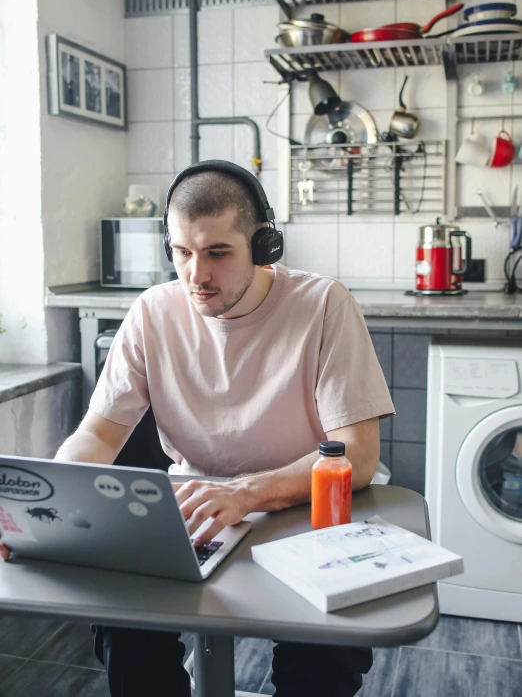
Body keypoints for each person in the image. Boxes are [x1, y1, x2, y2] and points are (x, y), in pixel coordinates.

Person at [4, 160, 395, 696]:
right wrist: (45, 511)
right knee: (125, 632)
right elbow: (97, 436)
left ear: (263, 247)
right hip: (191, 519)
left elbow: (359, 453)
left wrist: (246, 492)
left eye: (217, 253)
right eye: (181, 253)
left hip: (308, 513)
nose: (196, 274)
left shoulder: (323, 305)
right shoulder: (151, 312)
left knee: (323, 658)